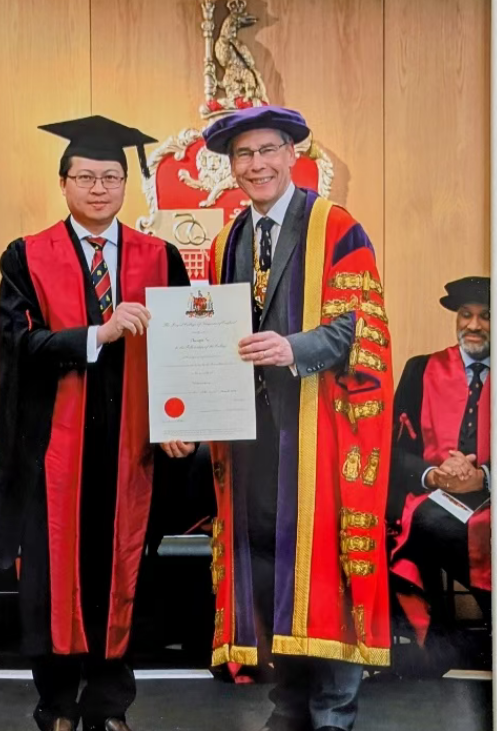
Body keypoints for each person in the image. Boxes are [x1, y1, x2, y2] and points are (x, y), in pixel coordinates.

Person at [165, 105, 393, 731]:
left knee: (326, 572)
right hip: (252, 444)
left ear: (293, 155)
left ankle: (333, 712)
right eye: (244, 154)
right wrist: (186, 413)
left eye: (268, 150)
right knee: (272, 572)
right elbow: (210, 346)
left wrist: (293, 348)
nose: (256, 164)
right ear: (231, 166)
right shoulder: (226, 241)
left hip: (318, 431)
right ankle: (289, 705)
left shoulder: (336, 227)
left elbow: (357, 328)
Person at [0, 115, 190, 731]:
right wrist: (95, 335)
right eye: (85, 177)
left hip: (132, 447)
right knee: (53, 582)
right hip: (56, 449)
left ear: (126, 184)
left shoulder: (161, 256)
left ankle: (109, 709)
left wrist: (184, 420)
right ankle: (56, 706)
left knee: (123, 574)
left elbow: (184, 348)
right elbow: (19, 344)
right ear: (63, 183)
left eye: (110, 177)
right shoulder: (26, 255)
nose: (99, 188)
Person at [389, 276, 491, 664]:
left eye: (485, 316)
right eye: (466, 315)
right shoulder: (422, 370)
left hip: (489, 497)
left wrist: (484, 476)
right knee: (423, 519)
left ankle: (451, 639)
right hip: (434, 493)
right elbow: (395, 450)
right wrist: (434, 474)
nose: (474, 325)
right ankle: (438, 634)